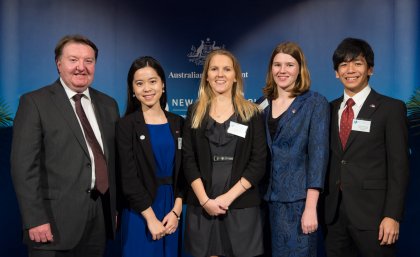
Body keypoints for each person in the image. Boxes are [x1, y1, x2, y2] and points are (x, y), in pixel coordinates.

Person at [10, 34, 120, 257]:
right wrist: (35, 219)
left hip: (98, 219)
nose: (81, 67)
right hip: (52, 224)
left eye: (88, 61)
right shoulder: (35, 102)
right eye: (73, 60)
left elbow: (111, 162)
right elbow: (23, 168)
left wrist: (113, 208)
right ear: (58, 64)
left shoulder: (109, 104)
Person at [322, 37, 409, 257]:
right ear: (336, 72)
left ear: (370, 69)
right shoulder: (327, 109)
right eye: (343, 65)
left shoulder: (391, 108)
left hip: (375, 216)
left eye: (357, 63)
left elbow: (399, 166)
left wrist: (392, 215)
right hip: (334, 215)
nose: (350, 70)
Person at [182, 49, 267, 257]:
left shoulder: (252, 112)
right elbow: (188, 159)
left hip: (241, 206)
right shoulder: (194, 112)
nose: (220, 74)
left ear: (236, 76)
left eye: (227, 69)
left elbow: (258, 162)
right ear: (207, 76)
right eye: (214, 69)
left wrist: (227, 198)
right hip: (203, 207)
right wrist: (205, 201)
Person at [258, 42, 329, 257]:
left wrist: (310, 208)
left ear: (300, 68)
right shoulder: (261, 104)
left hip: (296, 204)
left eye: (289, 64)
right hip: (262, 201)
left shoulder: (314, 103)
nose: (282, 70)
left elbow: (318, 156)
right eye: (277, 64)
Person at [116, 56, 185, 257]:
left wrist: (176, 211)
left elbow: (184, 172)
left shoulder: (179, 123)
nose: (147, 88)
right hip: (140, 211)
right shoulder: (126, 125)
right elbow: (128, 179)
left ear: (163, 85)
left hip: (173, 209)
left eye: (152, 81)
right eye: (139, 83)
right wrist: (151, 219)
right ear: (132, 90)